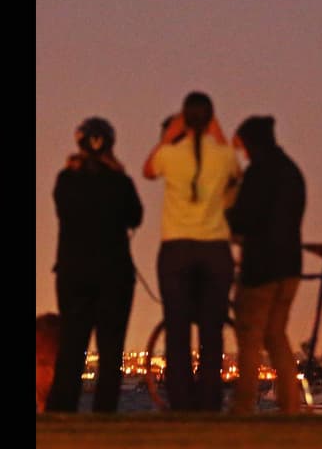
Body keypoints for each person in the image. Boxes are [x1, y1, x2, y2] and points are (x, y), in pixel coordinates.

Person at [143, 91, 240, 411]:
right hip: (215, 249)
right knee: (212, 331)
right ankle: (210, 400)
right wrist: (217, 130)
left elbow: (148, 169)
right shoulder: (223, 155)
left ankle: (181, 401)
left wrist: (169, 135)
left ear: (184, 120)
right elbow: (236, 174)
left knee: (177, 328)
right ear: (210, 119)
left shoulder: (170, 155)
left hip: (176, 248)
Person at [46, 117, 144, 413]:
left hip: (73, 275)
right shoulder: (120, 182)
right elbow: (135, 217)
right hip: (115, 276)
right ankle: (105, 412)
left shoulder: (66, 180)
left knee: (72, 347)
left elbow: (62, 208)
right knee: (111, 350)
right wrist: (117, 174)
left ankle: (62, 409)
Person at [224, 115, 305, 415]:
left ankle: (244, 405)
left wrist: (224, 218)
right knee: (276, 336)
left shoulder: (258, 174)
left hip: (260, 268)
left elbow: (245, 217)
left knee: (250, 339)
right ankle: (290, 405)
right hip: (290, 267)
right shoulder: (292, 172)